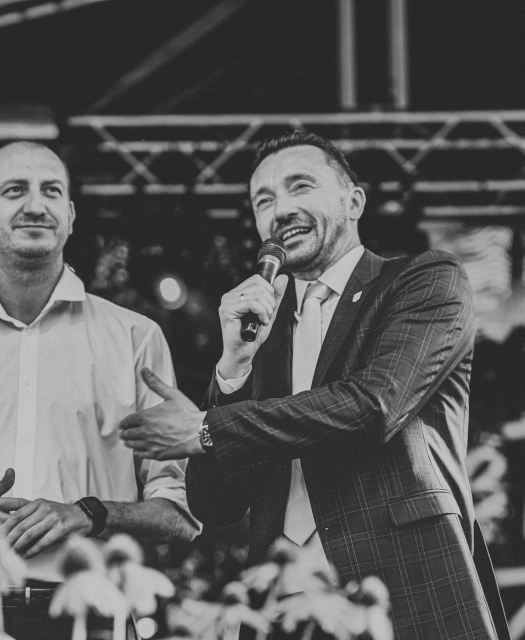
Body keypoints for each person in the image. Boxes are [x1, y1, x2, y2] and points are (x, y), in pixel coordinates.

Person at [119, 131, 510, 640]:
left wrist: (205, 427)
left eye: (300, 186)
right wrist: (232, 368)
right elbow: (216, 505)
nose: (280, 209)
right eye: (263, 201)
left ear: (354, 202)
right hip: (283, 605)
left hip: (405, 588)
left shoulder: (422, 280)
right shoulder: (261, 327)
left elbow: (372, 406)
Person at [0, 141, 199, 637]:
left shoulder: (136, 338)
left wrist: (90, 514)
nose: (36, 205)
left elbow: (177, 516)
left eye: (51, 191)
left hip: (93, 616)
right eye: (14, 190)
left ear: (70, 216)